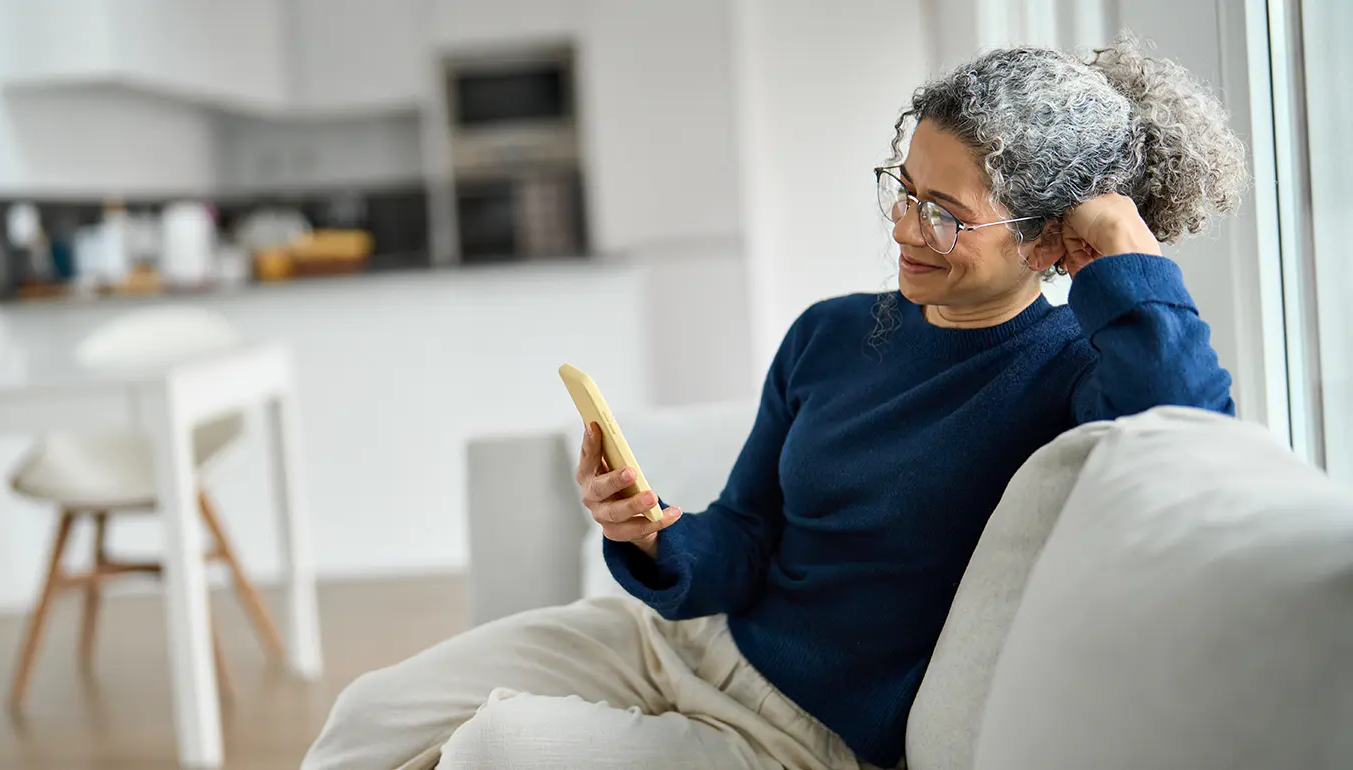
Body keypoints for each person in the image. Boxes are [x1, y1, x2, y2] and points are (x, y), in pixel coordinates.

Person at [303, 37, 1249, 770]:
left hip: (802, 737)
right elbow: (748, 533)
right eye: (903, 188)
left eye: (947, 214)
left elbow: (1193, 436)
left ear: (1050, 241)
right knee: (369, 713)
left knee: (496, 753)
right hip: (681, 638)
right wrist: (651, 532)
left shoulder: (1073, 376)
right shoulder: (831, 334)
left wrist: (1126, 245)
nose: (905, 228)